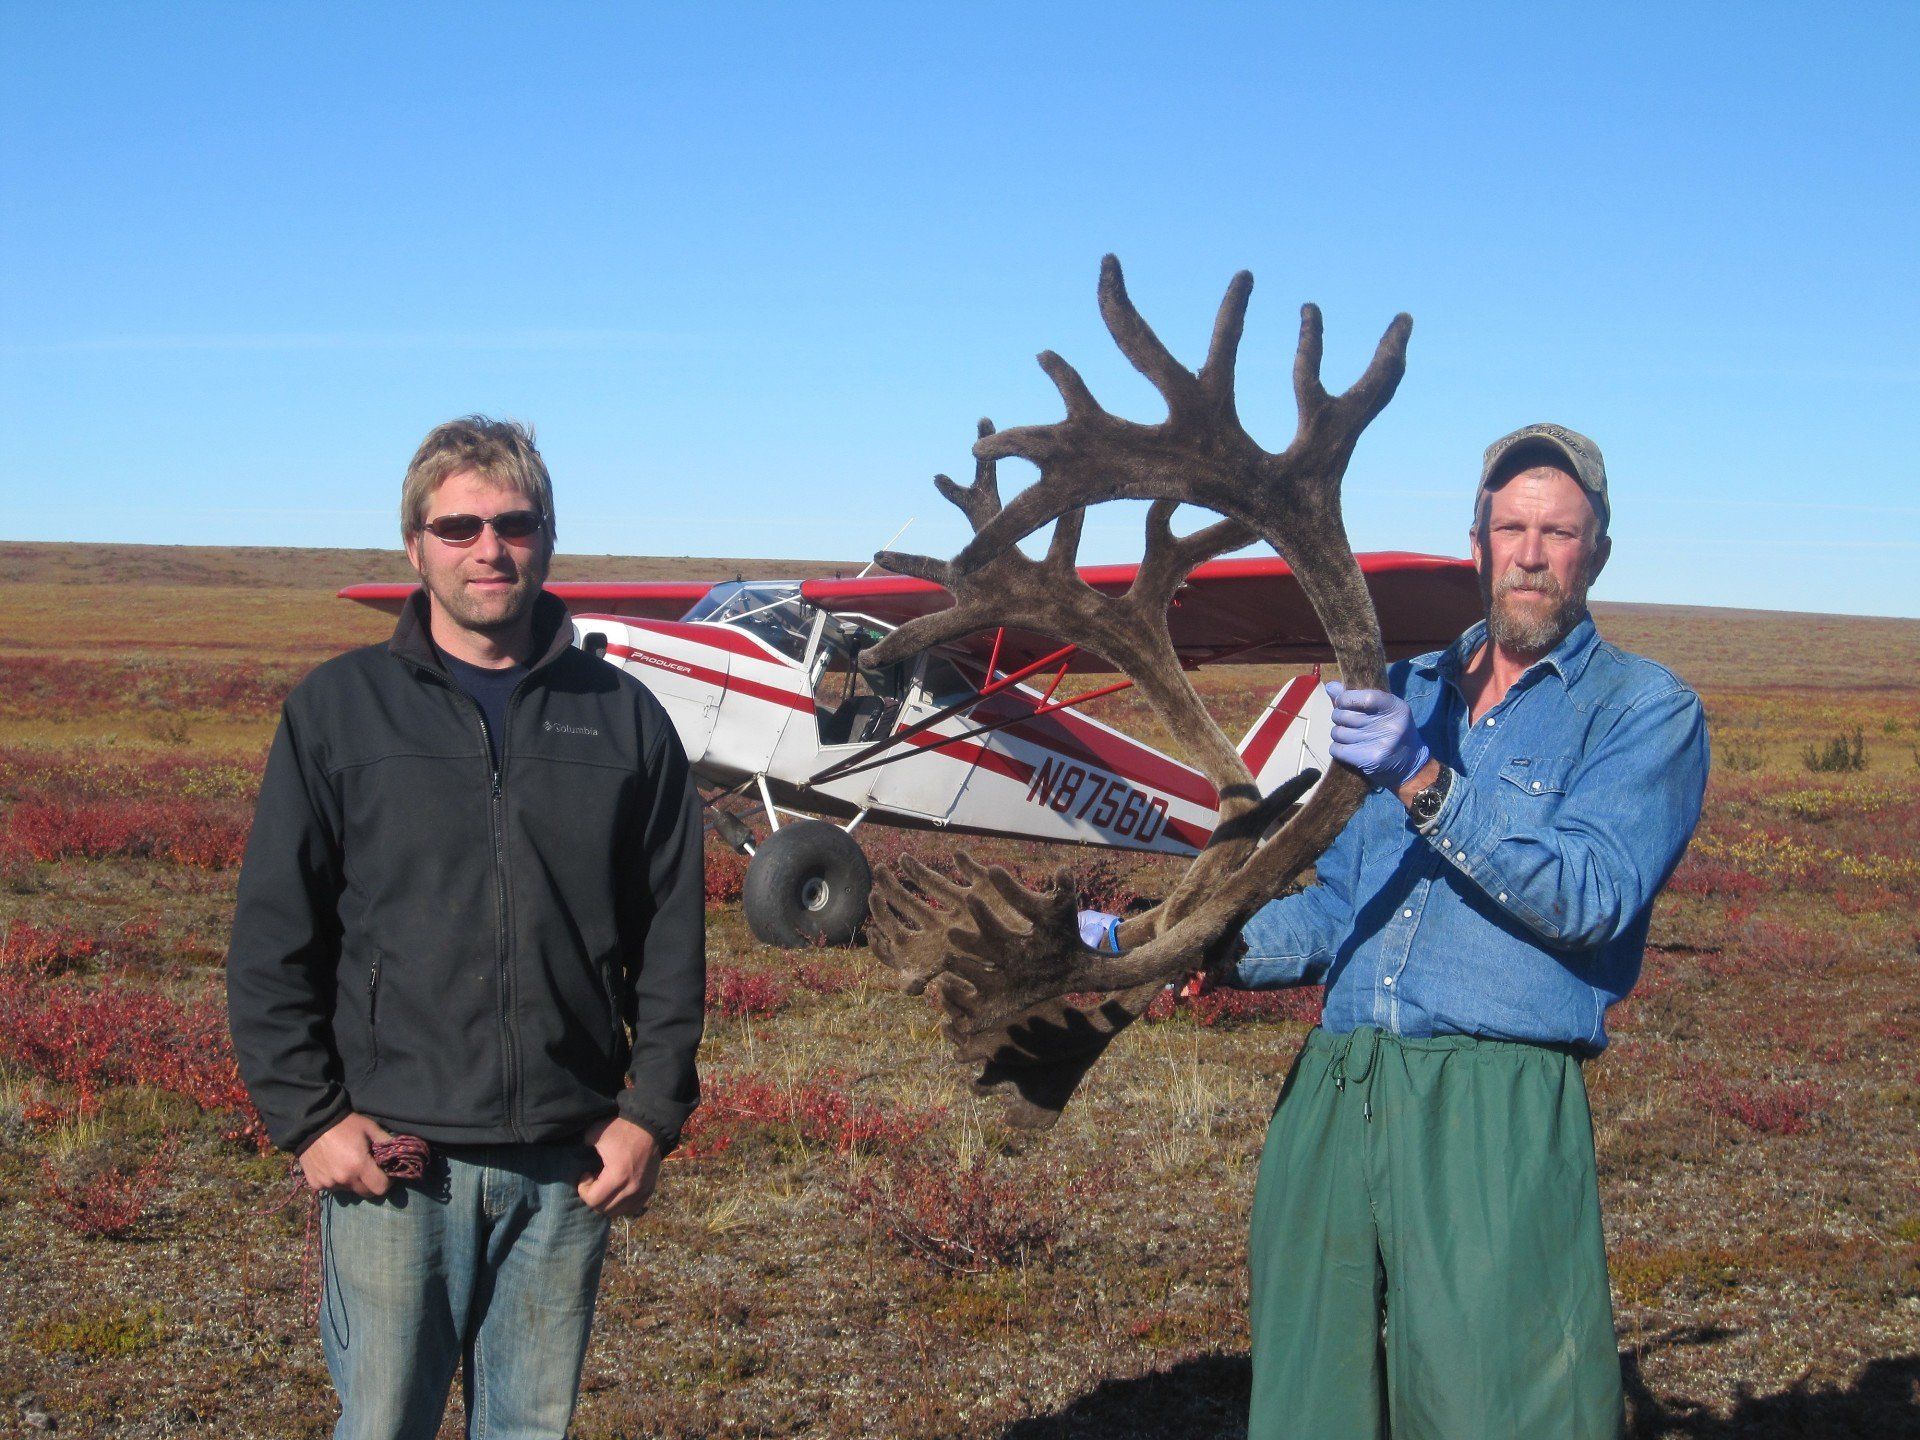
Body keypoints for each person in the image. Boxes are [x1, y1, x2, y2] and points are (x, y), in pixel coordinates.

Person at [1082, 422, 1708, 1439]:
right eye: (1511, 527)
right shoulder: (1409, 688)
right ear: (1477, 540)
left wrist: (1426, 779)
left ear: (1596, 551)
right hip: (1334, 1093)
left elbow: (1593, 892)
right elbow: (1339, 907)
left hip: (1491, 1109)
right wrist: (1201, 943)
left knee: (1499, 1409)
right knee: (1307, 1407)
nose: (1532, 552)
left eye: (1559, 531)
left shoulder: (1644, 712)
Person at [226, 416, 704, 1440]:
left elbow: (671, 935)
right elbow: (274, 934)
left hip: (567, 1167)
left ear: (547, 539)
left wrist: (652, 1112)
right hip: (396, 1164)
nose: (489, 548)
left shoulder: (623, 720)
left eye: (514, 523)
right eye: (458, 527)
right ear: (415, 547)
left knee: (529, 1429)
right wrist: (308, 1119)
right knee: (383, 1424)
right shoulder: (339, 711)